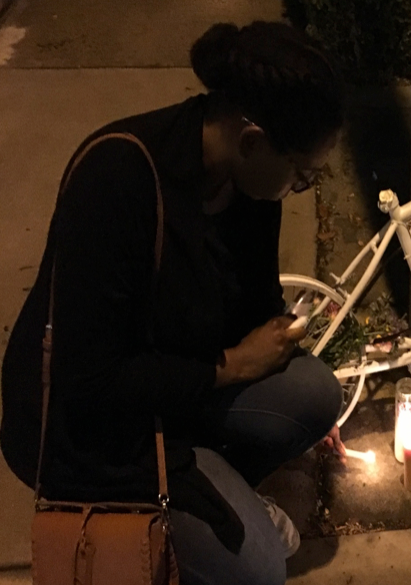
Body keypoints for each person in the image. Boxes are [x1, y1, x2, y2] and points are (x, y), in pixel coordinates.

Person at [1, 21, 348, 585]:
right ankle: (185, 514)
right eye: (303, 174)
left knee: (312, 394)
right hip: (95, 428)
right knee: (258, 569)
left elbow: (251, 299)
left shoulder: (250, 185)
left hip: (178, 385)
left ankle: (216, 488)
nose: (299, 187)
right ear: (252, 140)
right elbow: (90, 383)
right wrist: (232, 367)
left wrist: (274, 336)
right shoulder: (118, 179)